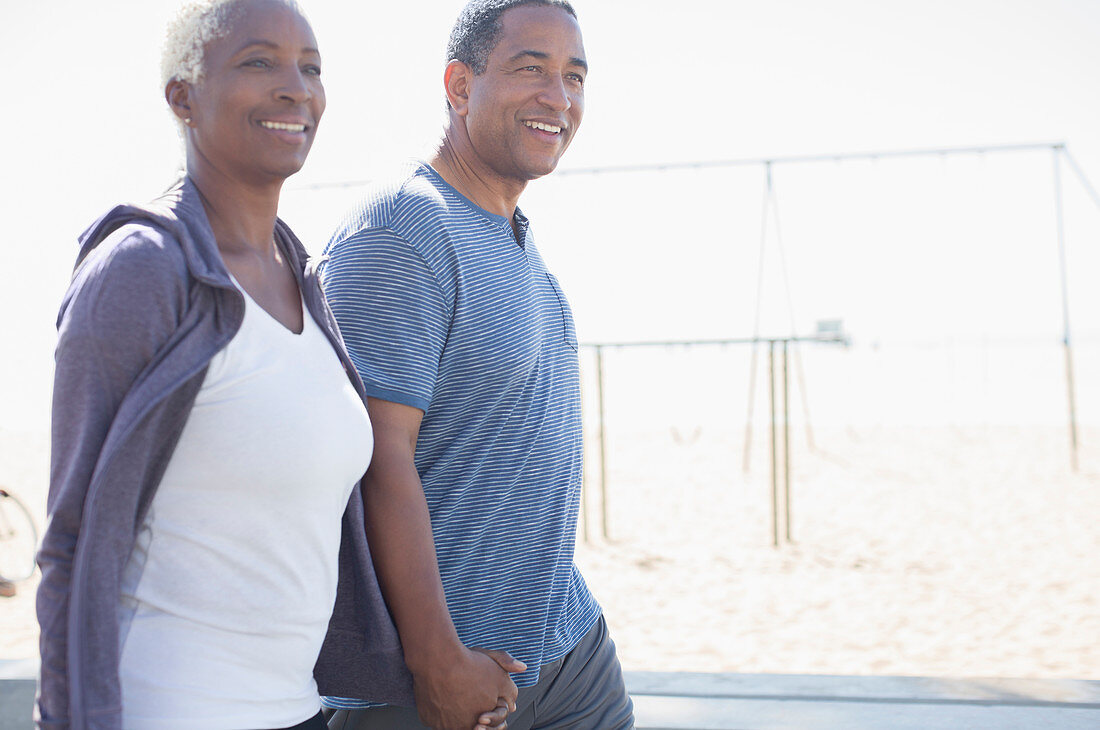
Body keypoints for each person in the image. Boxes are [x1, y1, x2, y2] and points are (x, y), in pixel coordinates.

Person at [34, 1, 423, 728]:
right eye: (258, 62)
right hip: (170, 708)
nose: (295, 87)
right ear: (183, 94)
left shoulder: (300, 272)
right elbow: (71, 540)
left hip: (296, 709)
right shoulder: (143, 270)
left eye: (311, 67)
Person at [320, 1, 635, 728]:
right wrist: (436, 662)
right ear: (459, 86)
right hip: (435, 679)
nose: (558, 97)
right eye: (531, 70)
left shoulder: (514, 235)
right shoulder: (404, 229)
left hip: (568, 651)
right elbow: (374, 459)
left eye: (574, 76)